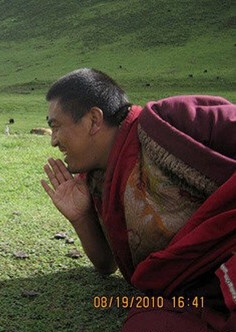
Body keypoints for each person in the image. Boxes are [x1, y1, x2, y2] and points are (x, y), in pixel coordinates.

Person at [40, 68, 235, 331]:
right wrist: (80, 217)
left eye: (56, 126)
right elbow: (107, 264)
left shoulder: (169, 121)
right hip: (193, 292)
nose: (53, 141)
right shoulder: (95, 180)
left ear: (94, 120)